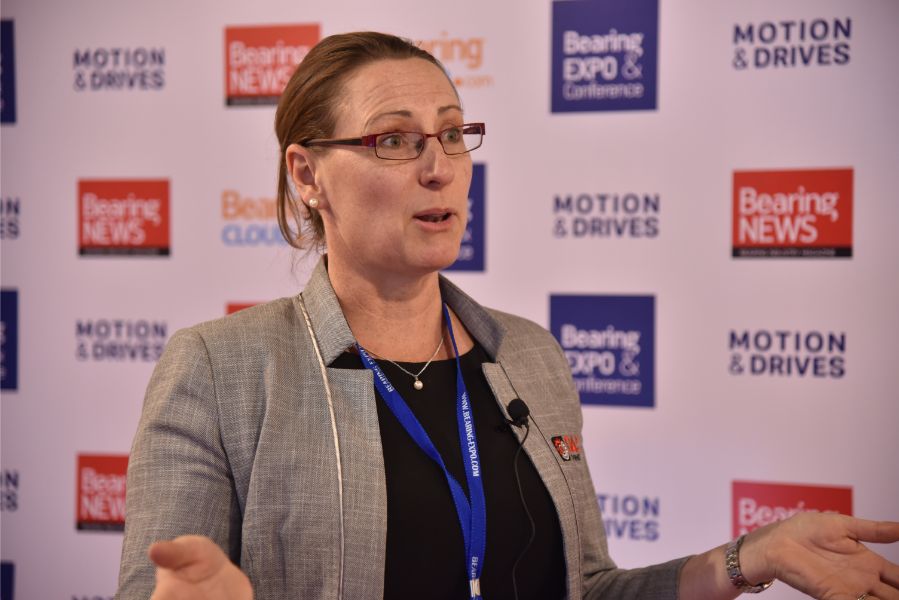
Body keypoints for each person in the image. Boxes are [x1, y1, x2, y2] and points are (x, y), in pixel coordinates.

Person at [117, 31, 899, 600]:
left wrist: (746, 558)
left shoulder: (526, 355)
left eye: (452, 134)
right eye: (394, 140)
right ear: (307, 174)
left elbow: (586, 588)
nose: (438, 168)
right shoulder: (220, 370)